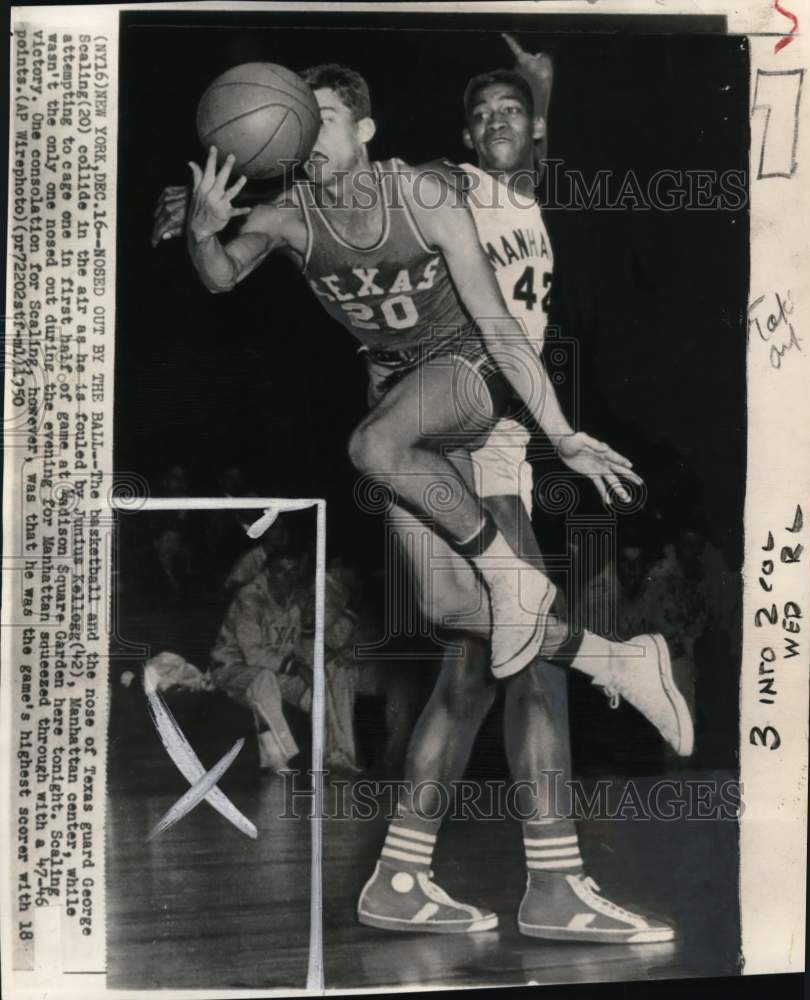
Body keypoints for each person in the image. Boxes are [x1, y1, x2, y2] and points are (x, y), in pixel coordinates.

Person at [153, 61, 642, 685]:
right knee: (446, 603)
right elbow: (220, 274)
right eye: (298, 127)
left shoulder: (422, 193)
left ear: (365, 129)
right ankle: (619, 661)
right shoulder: (287, 218)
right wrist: (200, 233)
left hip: (468, 370)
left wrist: (561, 433)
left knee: (371, 443)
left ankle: (514, 580)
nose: (306, 140)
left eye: (321, 121)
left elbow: (497, 324)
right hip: (393, 387)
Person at [356, 37, 682, 944]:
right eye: (482, 116)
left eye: (510, 115)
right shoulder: (450, 183)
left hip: (495, 430)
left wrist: (542, 88)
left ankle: (398, 875)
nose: (495, 125)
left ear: (533, 133)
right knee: (528, 647)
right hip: (456, 417)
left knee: (476, 667)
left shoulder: (529, 191)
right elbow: (365, 191)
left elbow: (532, 156)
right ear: (466, 137)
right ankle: (555, 886)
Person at [210, 548, 360, 774]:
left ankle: (336, 755)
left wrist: (326, 655)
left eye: (293, 571)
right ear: (268, 571)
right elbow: (253, 655)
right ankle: (276, 758)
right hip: (231, 669)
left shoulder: (295, 598)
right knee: (264, 678)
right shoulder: (249, 598)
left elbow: (299, 641)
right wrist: (298, 667)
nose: (287, 577)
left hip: (276, 669)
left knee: (322, 691)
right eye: (281, 571)